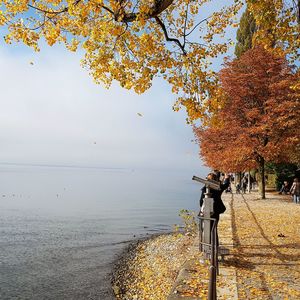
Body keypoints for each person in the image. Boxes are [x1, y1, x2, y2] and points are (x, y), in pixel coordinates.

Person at [199, 172, 230, 245]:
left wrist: (202, 208)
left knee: (206, 228)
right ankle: (215, 245)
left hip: (207, 211)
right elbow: (225, 185)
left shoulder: (205, 188)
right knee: (214, 228)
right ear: (216, 180)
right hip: (216, 210)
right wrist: (226, 177)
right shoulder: (218, 188)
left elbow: (201, 201)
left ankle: (207, 244)